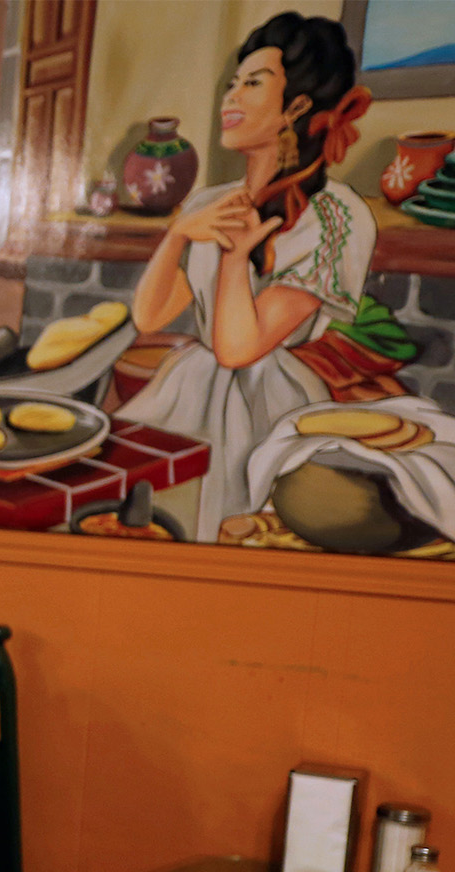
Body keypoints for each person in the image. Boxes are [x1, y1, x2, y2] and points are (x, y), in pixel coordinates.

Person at [123, 11, 374, 543]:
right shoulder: (211, 201)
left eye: (253, 84)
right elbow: (148, 315)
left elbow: (242, 349)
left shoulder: (335, 216)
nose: (230, 98)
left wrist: (236, 260)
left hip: (270, 401)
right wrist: (177, 235)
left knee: (231, 526)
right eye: (232, 84)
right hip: (188, 385)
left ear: (298, 107)